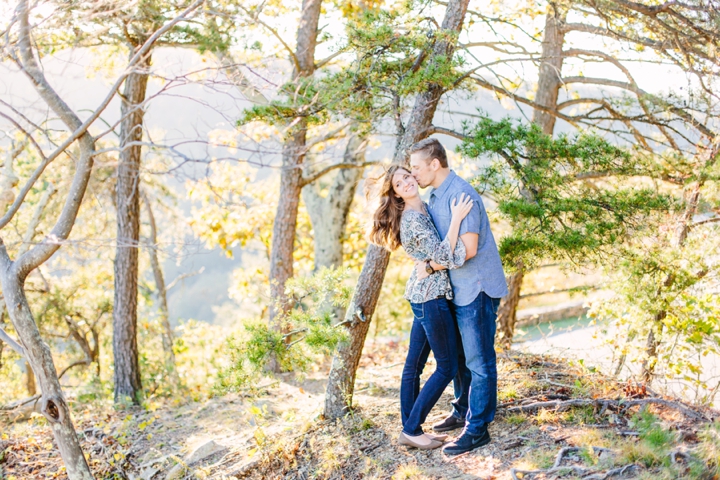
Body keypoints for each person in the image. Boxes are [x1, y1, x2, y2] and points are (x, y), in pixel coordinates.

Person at [408, 137, 509, 455]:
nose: (413, 174)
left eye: (416, 167)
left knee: (479, 361)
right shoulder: (436, 196)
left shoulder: (461, 194)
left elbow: (467, 249)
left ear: (434, 164)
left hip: (476, 288)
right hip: (455, 288)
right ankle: (462, 409)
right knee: (462, 358)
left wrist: (430, 266)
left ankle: (477, 429)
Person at [369, 165, 473, 450]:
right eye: (399, 184)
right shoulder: (412, 219)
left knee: (413, 367)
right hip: (430, 297)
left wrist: (428, 265)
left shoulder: (426, 207)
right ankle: (412, 429)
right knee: (448, 365)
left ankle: (410, 430)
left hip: (423, 294)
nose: (406, 182)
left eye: (407, 176)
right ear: (396, 194)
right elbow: (443, 254)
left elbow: (434, 259)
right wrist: (456, 220)